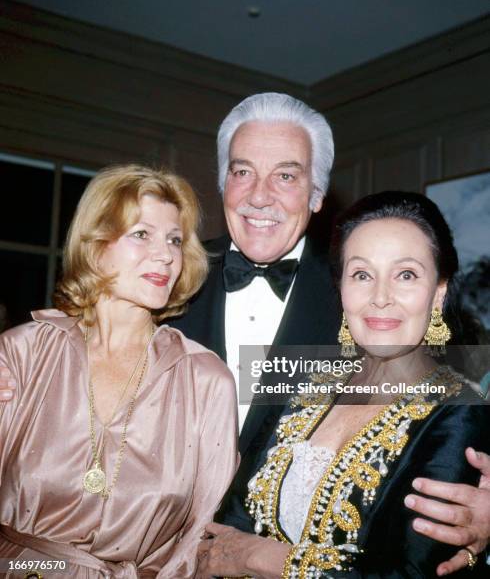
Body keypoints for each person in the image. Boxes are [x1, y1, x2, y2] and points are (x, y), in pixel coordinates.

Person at [1, 94, 489, 571]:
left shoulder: (355, 303)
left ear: (317, 195)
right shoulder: (166, 276)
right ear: (222, 184)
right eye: (242, 172)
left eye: (286, 175)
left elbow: (451, 391)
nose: (260, 195)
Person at [196, 191, 490, 577]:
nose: (381, 298)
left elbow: (409, 572)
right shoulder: (309, 379)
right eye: (362, 275)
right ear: (341, 288)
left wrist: (255, 557)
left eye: (406, 275)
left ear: (438, 292)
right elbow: (233, 518)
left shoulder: (460, 411)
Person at [0, 164, 238, 578]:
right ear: (95, 245)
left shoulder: (205, 381)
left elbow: (198, 538)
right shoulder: (24, 353)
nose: (165, 254)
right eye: (141, 234)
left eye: (175, 240)